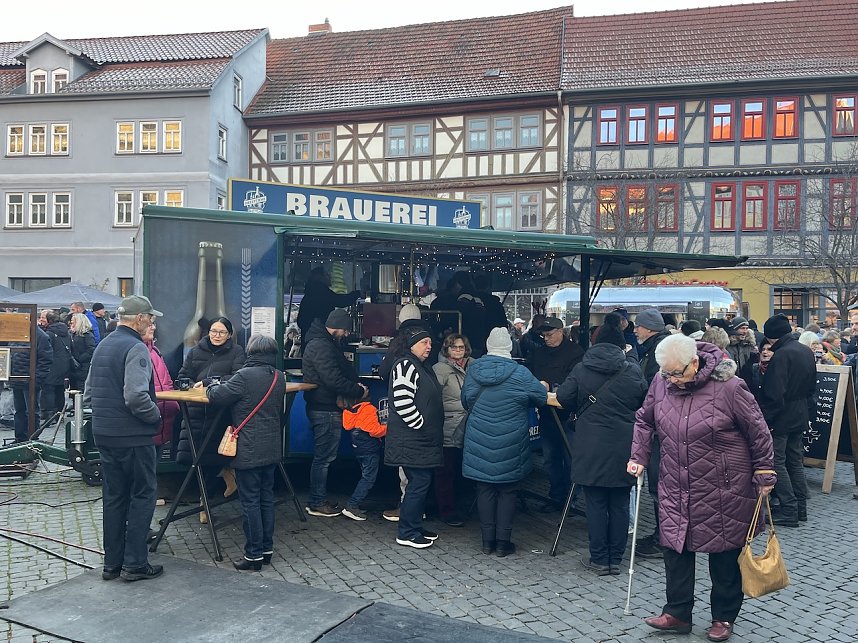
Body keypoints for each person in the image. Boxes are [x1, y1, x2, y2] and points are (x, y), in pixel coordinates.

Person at [627, 334, 776, 642]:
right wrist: (638, 456)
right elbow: (645, 419)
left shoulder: (731, 388)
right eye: (666, 374)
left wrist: (764, 473)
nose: (671, 380)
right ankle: (677, 613)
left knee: (724, 555)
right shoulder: (662, 380)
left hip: (723, 486)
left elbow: (758, 432)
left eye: (676, 373)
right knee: (675, 549)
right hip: (674, 482)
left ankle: (723, 617)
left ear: (694, 363)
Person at [556, 319, 647, 575]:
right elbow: (644, 401)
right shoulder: (632, 370)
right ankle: (615, 559)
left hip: (590, 444)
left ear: (594, 343)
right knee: (618, 503)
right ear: (622, 345)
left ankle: (598, 558)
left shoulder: (582, 368)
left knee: (595, 504)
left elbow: (563, 398)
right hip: (624, 444)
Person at [84, 295, 164, 582]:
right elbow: (136, 396)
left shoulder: (103, 345)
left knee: (114, 498)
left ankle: (112, 564)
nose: (153, 322)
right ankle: (135, 564)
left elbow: (90, 393)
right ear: (140, 318)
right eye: (151, 318)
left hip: (105, 434)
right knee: (143, 496)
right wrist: (155, 417)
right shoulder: (136, 348)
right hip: (133, 436)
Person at [462, 327, 547, 557]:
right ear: (509, 348)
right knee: (508, 491)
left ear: (489, 347)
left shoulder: (473, 370)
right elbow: (540, 397)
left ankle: (486, 542)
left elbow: (465, 401)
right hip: (512, 438)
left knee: (485, 489)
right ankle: (502, 543)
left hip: (478, 436)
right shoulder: (520, 373)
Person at [206, 335, 286, 570]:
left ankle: (253, 555)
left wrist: (212, 385)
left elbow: (217, 397)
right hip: (271, 447)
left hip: (249, 448)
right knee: (266, 499)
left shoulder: (244, 376)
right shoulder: (278, 377)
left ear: (251, 352)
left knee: (250, 501)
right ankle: (267, 549)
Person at [176, 316, 246, 516]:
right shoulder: (196, 350)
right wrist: (188, 384)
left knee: (213, 455)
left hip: (222, 411)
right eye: (214, 331)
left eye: (222, 332)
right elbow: (183, 375)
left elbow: (237, 377)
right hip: (196, 411)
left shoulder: (237, 352)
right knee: (195, 457)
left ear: (229, 335)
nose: (217, 335)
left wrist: (208, 382)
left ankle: (204, 505)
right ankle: (223, 477)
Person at [302, 308, 367, 517]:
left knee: (324, 457)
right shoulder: (322, 345)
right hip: (325, 408)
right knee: (324, 458)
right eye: (345, 330)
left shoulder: (322, 342)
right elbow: (332, 379)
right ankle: (317, 501)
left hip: (323, 406)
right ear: (338, 326)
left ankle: (318, 498)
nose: (346, 334)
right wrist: (357, 390)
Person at [384, 325, 444, 548]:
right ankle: (407, 531)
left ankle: (414, 525)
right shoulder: (406, 365)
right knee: (418, 483)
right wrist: (420, 424)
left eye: (430, 342)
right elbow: (401, 401)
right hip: (412, 438)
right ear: (411, 345)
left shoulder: (418, 365)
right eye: (424, 343)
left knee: (420, 483)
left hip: (419, 439)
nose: (429, 346)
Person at [759, 314, 815, 527]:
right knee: (794, 461)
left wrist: (767, 419)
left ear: (771, 337)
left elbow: (775, 394)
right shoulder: (805, 350)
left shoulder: (781, 355)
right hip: (800, 412)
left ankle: (789, 509)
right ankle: (800, 508)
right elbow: (812, 388)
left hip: (782, 416)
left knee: (776, 462)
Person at [527, 316, 584, 513]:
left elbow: (575, 380)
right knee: (550, 458)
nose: (546, 339)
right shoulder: (538, 352)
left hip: (567, 415)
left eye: (550, 335)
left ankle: (571, 498)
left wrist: (551, 385)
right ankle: (556, 495)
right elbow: (529, 372)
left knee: (570, 457)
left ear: (561, 332)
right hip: (546, 413)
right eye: (543, 335)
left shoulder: (575, 352)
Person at [632, 308, 672, 559]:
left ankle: (663, 538)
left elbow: (652, 392)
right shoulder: (657, 349)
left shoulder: (658, 354)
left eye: (638, 326)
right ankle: (663, 535)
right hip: (662, 428)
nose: (635, 330)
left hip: (661, 430)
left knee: (660, 485)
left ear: (649, 328)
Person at [431, 333, 474, 527]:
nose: (458, 350)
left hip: (470, 424)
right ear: (446, 349)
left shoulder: (474, 366)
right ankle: (446, 510)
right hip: (448, 425)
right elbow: (432, 398)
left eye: (461, 347)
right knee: (445, 470)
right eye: (454, 347)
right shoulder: (439, 370)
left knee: (463, 469)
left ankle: (462, 506)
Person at [341, 397, 387, 521]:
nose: (366, 386)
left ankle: (354, 504)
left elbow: (349, 426)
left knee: (365, 475)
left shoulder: (350, 410)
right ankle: (352, 505)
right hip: (370, 450)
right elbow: (374, 431)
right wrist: (387, 428)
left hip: (358, 449)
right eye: (362, 387)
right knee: (368, 479)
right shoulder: (368, 409)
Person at [296, 267, 361, 351]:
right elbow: (339, 301)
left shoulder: (310, 293)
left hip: (309, 336)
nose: (330, 277)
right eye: (327, 275)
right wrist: (357, 294)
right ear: (320, 277)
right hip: (318, 336)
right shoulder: (320, 291)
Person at [142, 318, 179, 458]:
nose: (153, 328)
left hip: (163, 423)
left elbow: (167, 380)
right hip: (147, 426)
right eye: (149, 324)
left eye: (153, 324)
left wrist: (173, 405)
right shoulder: (136, 351)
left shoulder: (155, 351)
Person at [10, 326, 53, 442]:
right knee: (19, 411)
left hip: (31, 380)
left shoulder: (41, 336)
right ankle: (20, 438)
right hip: (16, 379)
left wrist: (37, 379)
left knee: (32, 411)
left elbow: (46, 360)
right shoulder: (16, 333)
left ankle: (32, 438)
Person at [41, 309, 73, 421]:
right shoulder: (66, 332)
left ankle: (49, 414)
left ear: (49, 321)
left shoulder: (49, 333)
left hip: (52, 365)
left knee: (49, 389)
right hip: (64, 365)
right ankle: (60, 414)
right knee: (60, 390)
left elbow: (46, 350)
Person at [725, 316, 758, 387]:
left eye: (746, 328)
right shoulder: (727, 346)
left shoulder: (750, 345)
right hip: (731, 383)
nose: (745, 331)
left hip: (749, 383)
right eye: (742, 328)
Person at [69, 312, 96, 392]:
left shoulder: (87, 335)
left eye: (73, 321)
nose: (71, 323)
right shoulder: (72, 334)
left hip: (83, 366)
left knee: (81, 388)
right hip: (74, 366)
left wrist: (80, 359)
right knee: (74, 389)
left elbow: (91, 350)